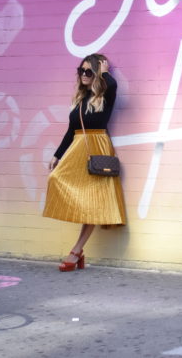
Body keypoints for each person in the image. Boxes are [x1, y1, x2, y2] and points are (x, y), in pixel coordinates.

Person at [42, 53, 126, 272]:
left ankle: (76, 250)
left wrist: (104, 73)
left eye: (89, 71)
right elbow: (71, 131)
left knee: (93, 200)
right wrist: (57, 155)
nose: (84, 75)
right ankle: (78, 252)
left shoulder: (105, 94)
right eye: (81, 70)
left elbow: (112, 84)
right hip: (78, 149)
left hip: (97, 148)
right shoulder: (80, 99)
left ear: (97, 73)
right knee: (56, 178)